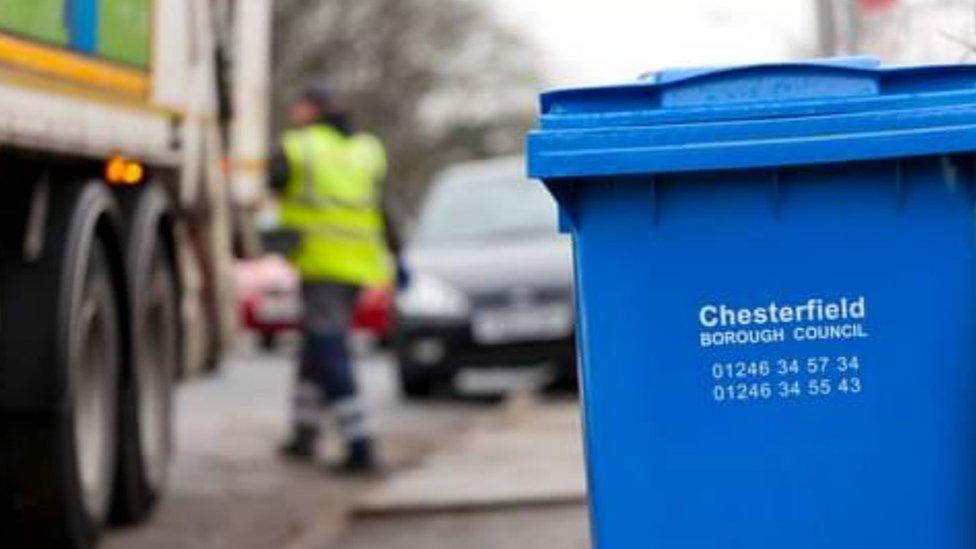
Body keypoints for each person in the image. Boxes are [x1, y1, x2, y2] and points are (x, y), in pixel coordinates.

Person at [269, 85, 401, 473]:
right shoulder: (366, 149)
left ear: (312, 109)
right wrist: (398, 255)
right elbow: (382, 206)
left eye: (299, 105)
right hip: (359, 265)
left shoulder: (299, 147)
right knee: (314, 345)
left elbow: (268, 186)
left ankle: (361, 445)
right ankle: (304, 434)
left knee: (329, 349)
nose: (294, 111)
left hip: (321, 263)